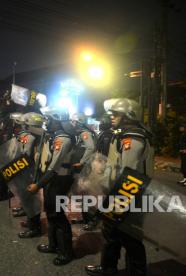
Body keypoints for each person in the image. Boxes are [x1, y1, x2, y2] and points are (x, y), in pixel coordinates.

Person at [85, 98, 154, 276]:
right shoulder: (125, 135)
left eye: (116, 114)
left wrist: (108, 187)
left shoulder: (133, 138)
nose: (112, 117)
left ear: (128, 115)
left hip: (129, 193)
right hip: (122, 192)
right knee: (110, 233)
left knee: (131, 238)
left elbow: (127, 172)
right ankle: (108, 268)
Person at [28, 109, 75, 266]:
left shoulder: (63, 140)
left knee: (58, 216)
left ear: (58, 121)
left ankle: (66, 252)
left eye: (49, 119)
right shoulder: (53, 137)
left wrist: (38, 185)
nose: (46, 122)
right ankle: (53, 245)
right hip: (52, 180)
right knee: (50, 214)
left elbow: (53, 168)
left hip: (59, 180)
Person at [12, 112, 45, 239]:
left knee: (30, 199)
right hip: (30, 170)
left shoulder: (30, 137)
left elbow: (24, 154)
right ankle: (31, 221)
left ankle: (34, 228)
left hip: (28, 171)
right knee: (28, 198)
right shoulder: (39, 135)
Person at [69, 113, 97, 231]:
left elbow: (90, 148)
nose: (72, 124)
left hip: (85, 169)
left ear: (79, 122)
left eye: (74, 122)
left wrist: (81, 161)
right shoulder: (80, 134)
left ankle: (92, 220)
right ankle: (85, 218)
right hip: (81, 169)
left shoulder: (85, 134)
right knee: (81, 194)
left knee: (86, 194)